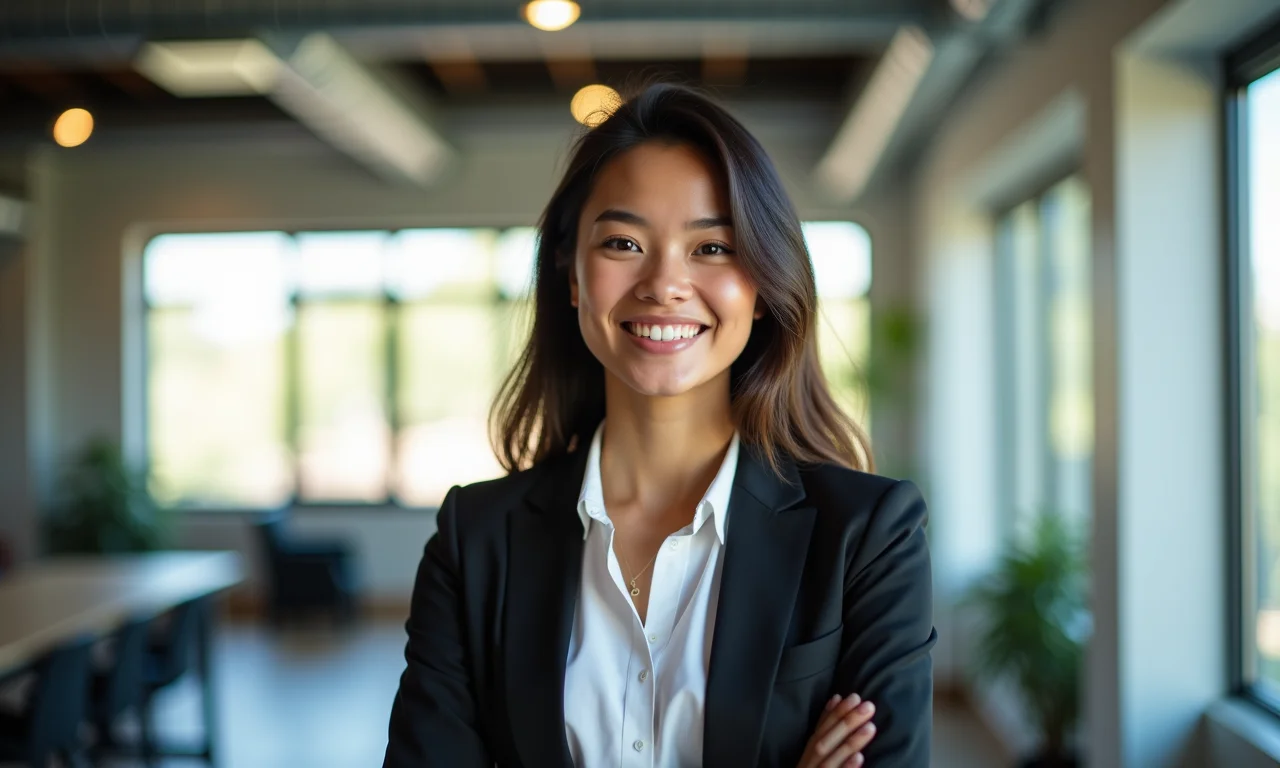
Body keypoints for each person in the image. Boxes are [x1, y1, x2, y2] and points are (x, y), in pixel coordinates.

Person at [383, 83, 936, 768]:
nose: (664, 284)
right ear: (573, 276)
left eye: (712, 247)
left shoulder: (868, 536)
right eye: (623, 242)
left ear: (762, 287)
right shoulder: (475, 541)